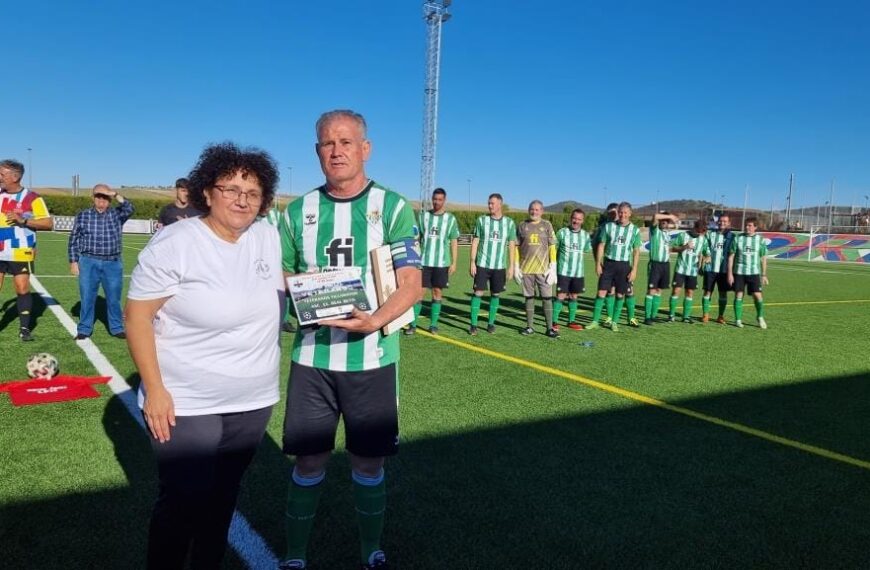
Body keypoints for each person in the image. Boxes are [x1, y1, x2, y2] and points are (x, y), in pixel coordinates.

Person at [125, 143, 283, 569]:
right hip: (186, 401)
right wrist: (154, 390)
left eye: (252, 192)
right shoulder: (176, 242)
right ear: (206, 193)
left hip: (252, 401)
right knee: (183, 501)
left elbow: (297, 280)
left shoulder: (267, 237)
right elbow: (137, 318)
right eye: (229, 188)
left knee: (222, 500)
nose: (241, 199)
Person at [278, 110, 421, 570]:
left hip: (372, 360)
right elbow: (279, 274)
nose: (336, 151)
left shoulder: (394, 207)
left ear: (365, 148)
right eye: (326, 143)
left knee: (368, 463)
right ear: (317, 151)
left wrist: (375, 319)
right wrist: (303, 287)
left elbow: (412, 283)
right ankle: (295, 555)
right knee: (308, 462)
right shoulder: (297, 212)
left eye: (345, 141)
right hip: (313, 360)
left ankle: (370, 551)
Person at [68, 184, 134, 340]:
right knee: (87, 297)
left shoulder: (117, 214)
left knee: (113, 297)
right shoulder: (83, 215)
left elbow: (130, 208)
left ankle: (116, 328)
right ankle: (84, 329)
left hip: (112, 262)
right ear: (93, 198)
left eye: (105, 197)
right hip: (88, 261)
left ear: (110, 200)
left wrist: (116, 193)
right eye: (98, 196)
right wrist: (73, 261)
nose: (102, 200)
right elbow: (73, 239)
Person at [0, 159, 53, 341]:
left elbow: (48, 223)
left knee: (22, 288)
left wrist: (23, 220)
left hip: (21, 251)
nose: (0, 177)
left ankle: (24, 328)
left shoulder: (32, 198)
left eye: (2, 174)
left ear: (15, 177)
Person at [408, 187, 459, 335]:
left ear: (444, 200)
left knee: (437, 292)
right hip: (424, 262)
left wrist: (454, 262)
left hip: (442, 263)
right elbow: (417, 237)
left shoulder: (450, 219)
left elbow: (454, 240)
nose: (437, 202)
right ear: (432, 199)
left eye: (440, 200)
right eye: (435, 199)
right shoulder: (423, 216)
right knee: (419, 294)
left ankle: (433, 325)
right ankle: (413, 324)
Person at [588, 202, 641, 331]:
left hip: (623, 266)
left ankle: (614, 322)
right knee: (601, 292)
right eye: (621, 212)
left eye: (625, 212)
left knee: (620, 295)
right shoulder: (609, 227)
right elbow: (601, 245)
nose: (622, 215)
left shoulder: (635, 230)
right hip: (608, 264)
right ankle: (595, 321)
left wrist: (634, 269)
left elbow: (636, 251)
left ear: (630, 213)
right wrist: (597, 264)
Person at [468, 193, 516, 335]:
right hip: (482, 264)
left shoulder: (509, 223)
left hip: (499, 266)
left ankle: (491, 323)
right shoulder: (482, 221)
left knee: (495, 294)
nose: (490, 206)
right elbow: (475, 241)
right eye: (489, 203)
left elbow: (512, 245)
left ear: (500, 204)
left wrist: (512, 266)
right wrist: (472, 261)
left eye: (492, 203)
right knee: (478, 293)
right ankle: (473, 325)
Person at [514, 200, 558, 337]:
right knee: (529, 298)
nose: (534, 212)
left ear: (542, 211)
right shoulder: (522, 225)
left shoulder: (547, 225)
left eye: (537, 209)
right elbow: (516, 247)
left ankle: (550, 328)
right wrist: (516, 266)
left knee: (547, 298)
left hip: (543, 270)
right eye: (532, 209)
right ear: (528, 210)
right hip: (526, 269)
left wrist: (553, 266)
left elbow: (552, 246)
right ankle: (529, 327)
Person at [553, 208, 591, 330]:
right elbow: (554, 250)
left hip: (578, 272)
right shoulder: (562, 232)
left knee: (574, 296)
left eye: (579, 219)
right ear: (571, 218)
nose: (576, 221)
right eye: (574, 218)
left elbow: (585, 251)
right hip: (563, 271)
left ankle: (571, 321)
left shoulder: (585, 235)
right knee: (560, 295)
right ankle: (554, 321)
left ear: (582, 221)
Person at [727, 216, 768, 329]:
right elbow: (731, 256)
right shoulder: (738, 238)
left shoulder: (760, 240)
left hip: (754, 272)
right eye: (746, 225)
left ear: (755, 227)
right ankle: (738, 320)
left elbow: (763, 258)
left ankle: (760, 317)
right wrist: (730, 274)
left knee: (757, 295)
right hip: (739, 272)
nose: (747, 227)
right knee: (739, 294)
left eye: (750, 225)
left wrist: (764, 274)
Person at [667, 220, 707, 324]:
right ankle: (671, 315)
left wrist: (707, 259)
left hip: (693, 271)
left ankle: (686, 316)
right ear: (694, 228)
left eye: (701, 233)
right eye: (698, 232)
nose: (700, 234)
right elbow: (672, 248)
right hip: (680, 269)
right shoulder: (682, 235)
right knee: (676, 291)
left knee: (690, 293)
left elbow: (707, 253)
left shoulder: (703, 239)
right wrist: (685, 246)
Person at [644, 212, 678, 325]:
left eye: (666, 221)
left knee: (659, 290)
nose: (664, 222)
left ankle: (653, 316)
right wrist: (670, 216)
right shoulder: (654, 231)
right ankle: (647, 317)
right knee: (651, 290)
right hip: (655, 264)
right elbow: (654, 217)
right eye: (663, 220)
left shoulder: (667, 234)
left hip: (665, 265)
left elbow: (670, 249)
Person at [701, 213, 735, 323]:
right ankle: (705, 314)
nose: (722, 223)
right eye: (720, 221)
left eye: (725, 221)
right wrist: (703, 262)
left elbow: (734, 254)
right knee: (707, 292)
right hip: (710, 268)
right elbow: (704, 248)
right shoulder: (710, 234)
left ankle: (720, 316)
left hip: (724, 270)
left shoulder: (733, 237)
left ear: (729, 223)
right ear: (717, 222)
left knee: (723, 293)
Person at [591, 202, 618, 324]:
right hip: (607, 262)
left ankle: (612, 316)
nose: (613, 214)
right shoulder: (603, 227)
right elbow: (595, 245)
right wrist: (598, 262)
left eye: (615, 212)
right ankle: (601, 318)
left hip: (621, 264)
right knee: (604, 289)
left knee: (615, 290)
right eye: (610, 212)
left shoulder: (624, 227)